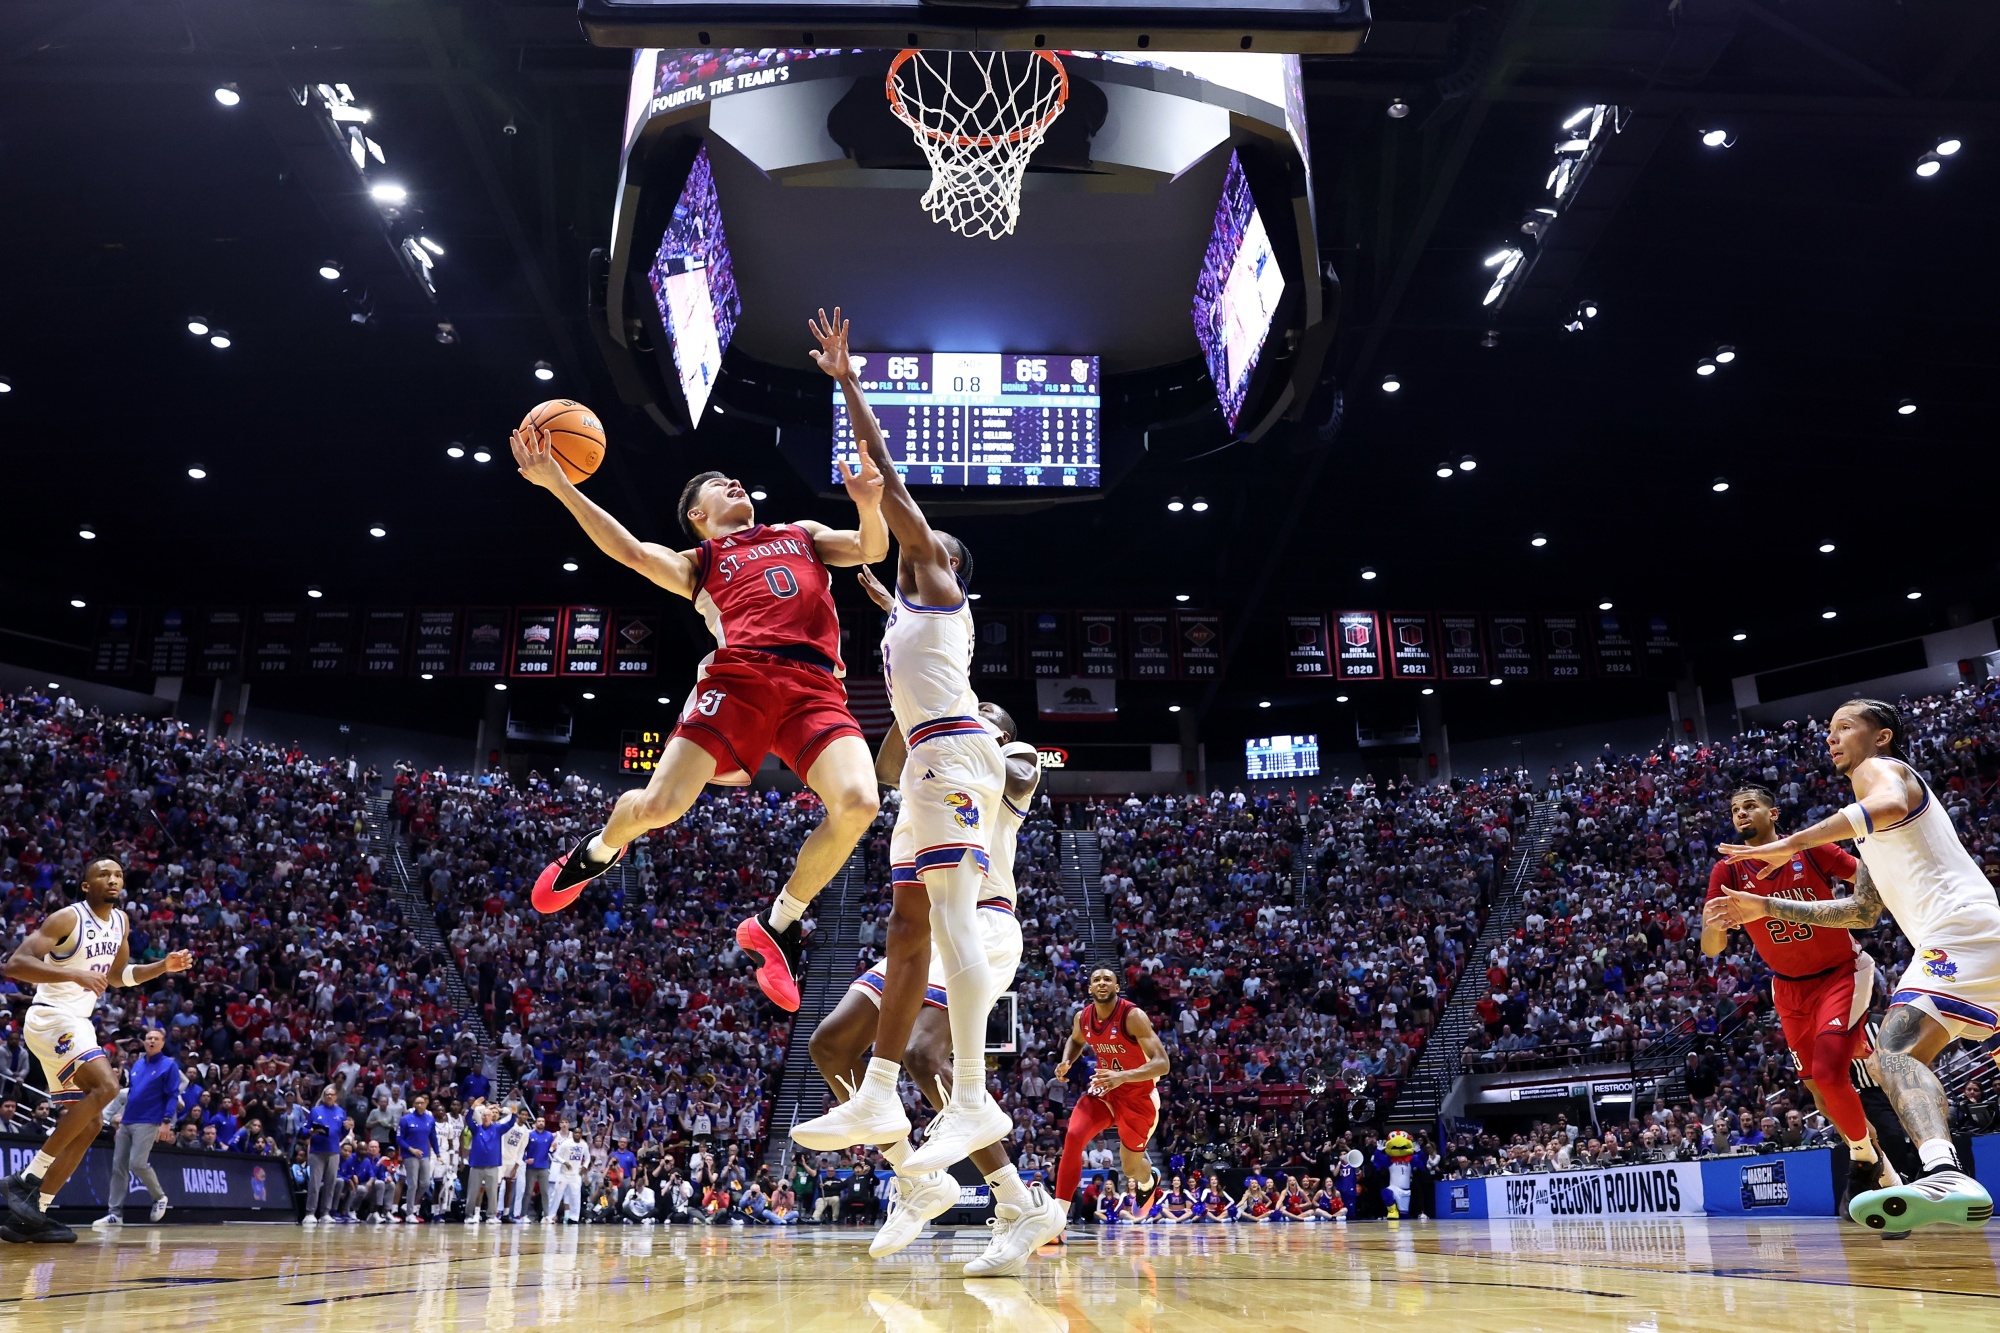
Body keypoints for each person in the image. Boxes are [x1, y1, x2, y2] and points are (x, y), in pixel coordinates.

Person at [509, 410, 888, 1015]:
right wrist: (560, 484)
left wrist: (869, 503)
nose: (734, 483)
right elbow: (629, 551)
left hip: (816, 687)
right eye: (719, 484)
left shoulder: (803, 533)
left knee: (860, 802)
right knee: (661, 807)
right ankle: (597, 852)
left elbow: (873, 546)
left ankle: (779, 923)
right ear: (698, 516)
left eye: (735, 479)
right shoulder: (700, 563)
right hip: (741, 679)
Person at [789, 308, 1015, 1186]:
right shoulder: (910, 612)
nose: (925, 546)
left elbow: (890, 474)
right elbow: (884, 597)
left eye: (933, 547)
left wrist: (847, 382)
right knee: (908, 920)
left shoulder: (939, 578)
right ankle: (883, 1093)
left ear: (947, 565)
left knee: (951, 917)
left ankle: (971, 1095)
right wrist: (869, 564)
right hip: (926, 758)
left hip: (960, 751)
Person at [798, 679, 1059, 1271]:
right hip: (925, 927)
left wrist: (957, 703)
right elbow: (889, 763)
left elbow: (1018, 772)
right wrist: (909, 692)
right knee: (829, 1045)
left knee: (923, 1053)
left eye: (984, 712)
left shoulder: (1011, 760)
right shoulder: (928, 759)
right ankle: (915, 1179)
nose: (970, 714)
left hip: (979, 924)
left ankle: (1016, 1201)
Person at [1713, 699, 1999, 1234]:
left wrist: (1793, 844)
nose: (1832, 737)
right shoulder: (1868, 831)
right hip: (1977, 936)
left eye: (1845, 726)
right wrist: (1767, 906)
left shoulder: (1882, 772)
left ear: (1881, 735)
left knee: (1893, 1049)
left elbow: (1889, 802)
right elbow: (1862, 911)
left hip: (1960, 930)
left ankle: (1942, 1171)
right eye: (1828, 729)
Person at [1702, 783, 1898, 1206]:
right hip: (1788, 989)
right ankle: (1884, 1175)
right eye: (1735, 808)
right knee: (1820, 1094)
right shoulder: (1729, 871)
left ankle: (1869, 1157)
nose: (1740, 813)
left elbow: (1870, 878)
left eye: (1750, 806)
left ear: (1773, 814)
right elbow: (1712, 948)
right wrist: (1715, 922)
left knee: (1831, 1073)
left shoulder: (1810, 850)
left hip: (1840, 973)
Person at [0, 858, 193, 1243]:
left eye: (118, 874)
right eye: (103, 874)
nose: (113, 879)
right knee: (107, 1086)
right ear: (86, 885)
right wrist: (74, 972)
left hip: (77, 1023)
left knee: (90, 1124)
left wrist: (162, 967)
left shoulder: (120, 921)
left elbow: (120, 977)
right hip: (51, 1016)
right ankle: (27, 1179)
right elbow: (14, 964)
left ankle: (34, 1212)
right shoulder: (67, 919)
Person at [1052, 969, 1172, 1225]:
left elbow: (1163, 1064)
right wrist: (1066, 1062)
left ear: (1117, 987)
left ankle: (1149, 1180)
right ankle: (1057, 1219)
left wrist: (1123, 1076)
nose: (1102, 983)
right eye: (1096, 980)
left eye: (1108, 980)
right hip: (1105, 1090)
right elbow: (1075, 1041)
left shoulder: (1133, 1016)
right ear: (1089, 988)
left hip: (1139, 1098)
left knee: (1130, 1169)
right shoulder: (1083, 1018)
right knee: (1073, 1136)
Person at [95, 1027, 182, 1229]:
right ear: (144, 1042)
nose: (151, 1041)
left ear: (162, 1042)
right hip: (128, 1121)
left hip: (149, 1121)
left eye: (156, 1038)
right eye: (149, 1038)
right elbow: (133, 1094)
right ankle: (115, 1214)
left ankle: (159, 1197)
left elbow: (172, 1095)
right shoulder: (138, 1065)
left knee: (137, 1163)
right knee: (118, 1166)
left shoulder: (169, 1066)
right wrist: (121, 1119)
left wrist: (166, 1121)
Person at [303, 1084, 353, 1225]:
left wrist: (347, 1129)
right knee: (315, 1183)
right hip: (317, 1151)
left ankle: (325, 1212)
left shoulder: (341, 1112)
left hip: (333, 1151)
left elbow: (342, 1133)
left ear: (336, 1097)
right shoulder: (315, 1110)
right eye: (327, 1095)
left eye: (332, 1094)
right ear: (323, 1097)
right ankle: (310, 1212)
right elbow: (304, 1130)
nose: (329, 1096)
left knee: (331, 1183)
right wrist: (310, 1132)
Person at [462, 1098, 516, 1226]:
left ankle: (491, 1216)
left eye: (488, 1115)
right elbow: (468, 1118)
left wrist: (514, 1113)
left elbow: (511, 1123)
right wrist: (473, 1107)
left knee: (492, 1193)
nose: (486, 1117)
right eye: (484, 1115)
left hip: (492, 1166)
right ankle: (469, 1215)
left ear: (492, 1117)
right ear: (481, 1116)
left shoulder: (498, 1129)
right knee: (472, 1192)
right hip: (476, 1166)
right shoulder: (476, 1129)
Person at [548, 1124, 588, 1225]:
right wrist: (564, 1162)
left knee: (575, 1196)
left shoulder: (584, 1145)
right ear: (573, 1134)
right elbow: (556, 1154)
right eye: (575, 1132)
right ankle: (550, 1215)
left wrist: (584, 1167)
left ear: (581, 1134)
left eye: (579, 1132)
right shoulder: (566, 1143)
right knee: (557, 1194)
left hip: (575, 1175)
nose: (577, 1134)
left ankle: (574, 1217)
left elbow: (587, 1158)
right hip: (564, 1173)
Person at [498, 1107, 531, 1221]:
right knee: (498, 1188)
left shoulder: (526, 1131)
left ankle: (506, 1214)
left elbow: (522, 1150)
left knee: (509, 1188)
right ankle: (496, 1212)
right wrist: (503, 1110)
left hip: (512, 1161)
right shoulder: (508, 1122)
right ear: (518, 1115)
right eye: (522, 1114)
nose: (524, 1117)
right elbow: (507, 1112)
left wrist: (516, 1167)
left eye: (526, 1115)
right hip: (501, 1159)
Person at [523, 1114, 554, 1223]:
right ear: (535, 1123)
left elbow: (551, 1150)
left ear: (545, 1124)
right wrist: (525, 1159)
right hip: (531, 1167)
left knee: (545, 1192)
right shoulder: (529, 1135)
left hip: (544, 1167)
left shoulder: (549, 1136)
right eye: (539, 1121)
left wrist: (553, 1149)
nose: (541, 1123)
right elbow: (522, 1149)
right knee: (528, 1191)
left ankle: (546, 1215)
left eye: (543, 1121)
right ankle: (523, 1215)